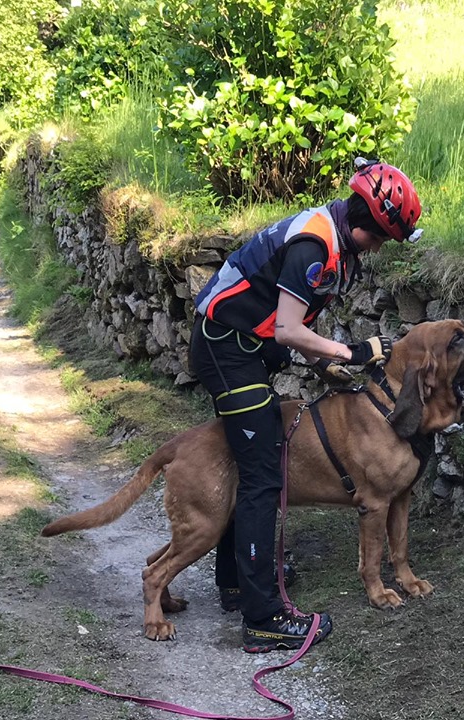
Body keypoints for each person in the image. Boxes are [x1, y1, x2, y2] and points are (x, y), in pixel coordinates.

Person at [190, 158, 423, 653]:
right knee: (262, 478)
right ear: (364, 223)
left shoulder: (334, 237)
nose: (379, 248)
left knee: (255, 465)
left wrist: (322, 367)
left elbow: (283, 315)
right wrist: (352, 353)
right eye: (380, 238)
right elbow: (288, 329)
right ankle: (264, 617)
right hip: (226, 349)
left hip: (245, 350)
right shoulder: (315, 245)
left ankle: (237, 584)